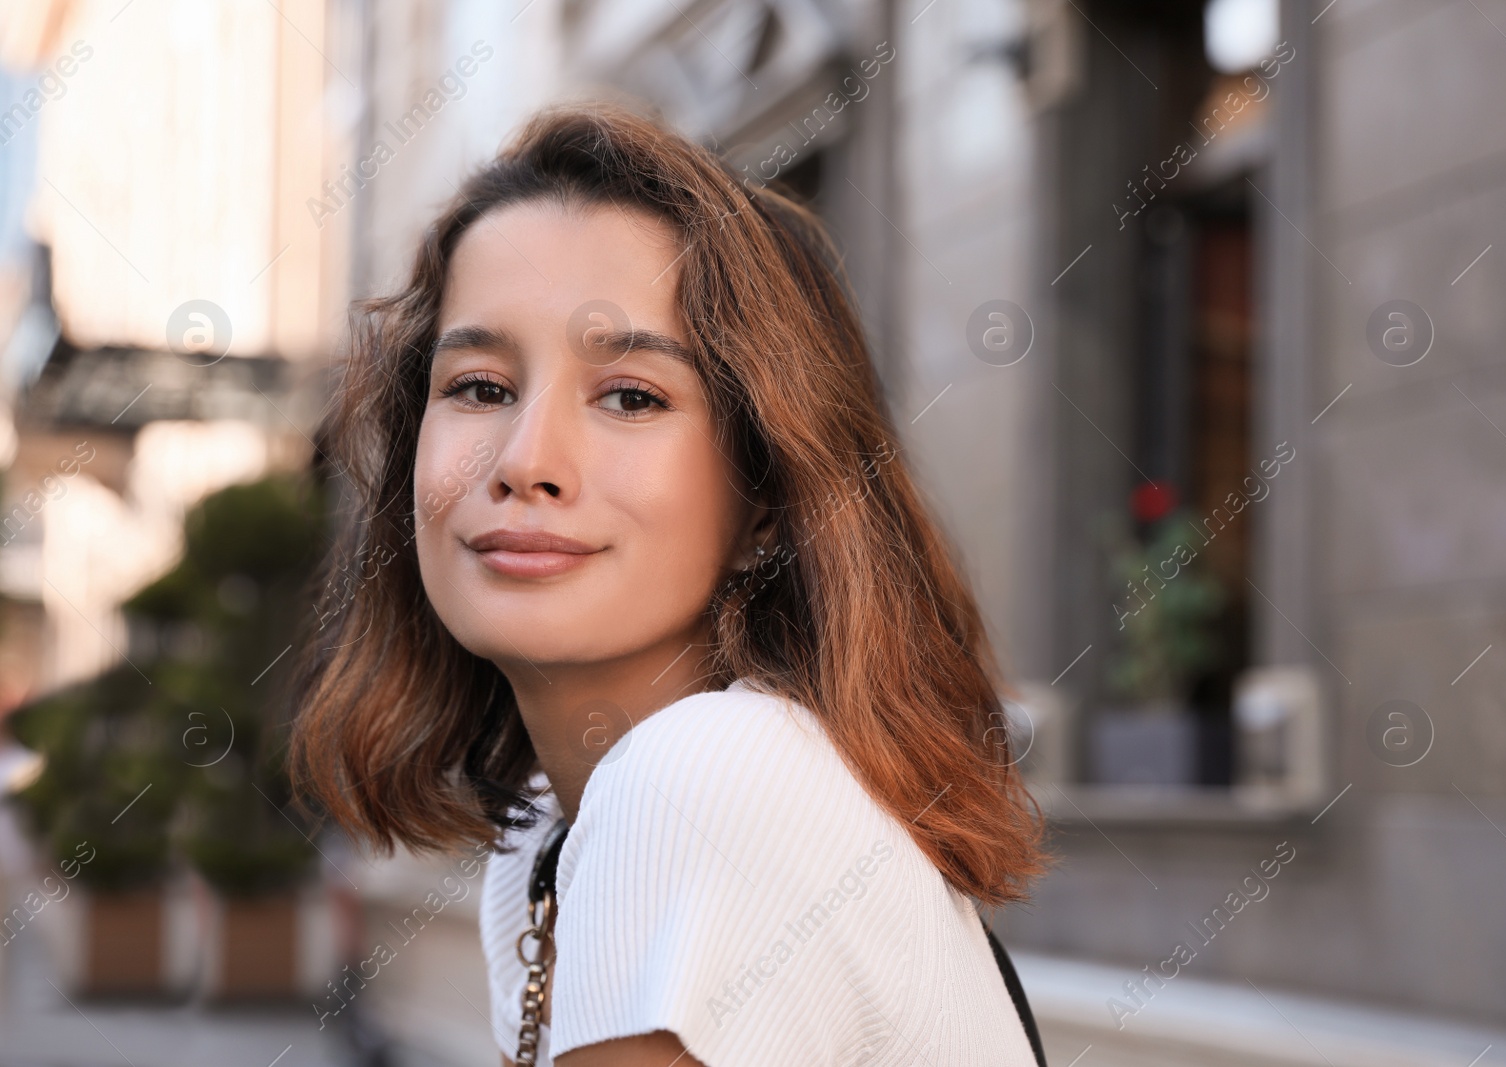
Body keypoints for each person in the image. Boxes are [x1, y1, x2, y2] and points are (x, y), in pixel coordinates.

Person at [291, 102, 1047, 1066]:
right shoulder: (551, 830)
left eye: (632, 397)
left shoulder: (703, 780)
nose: (527, 461)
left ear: (765, 502)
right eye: (479, 387)